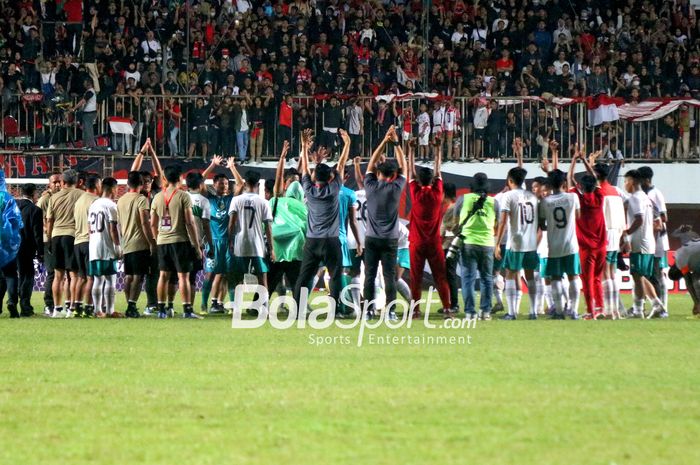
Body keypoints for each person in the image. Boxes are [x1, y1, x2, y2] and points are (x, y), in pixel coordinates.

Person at [292, 128, 350, 317]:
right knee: (335, 275)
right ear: (330, 178)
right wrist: (347, 144)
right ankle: (336, 310)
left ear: (315, 178)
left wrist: (303, 146)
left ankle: (298, 309)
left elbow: (305, 170)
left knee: (304, 275)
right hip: (331, 240)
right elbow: (340, 166)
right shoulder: (334, 190)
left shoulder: (309, 189)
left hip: (312, 240)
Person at [362, 125, 407, 320]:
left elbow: (371, 163)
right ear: (393, 175)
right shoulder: (397, 187)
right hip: (390, 239)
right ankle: (390, 312)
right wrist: (396, 143)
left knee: (370, 276)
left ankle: (368, 311)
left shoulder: (370, 186)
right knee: (389, 276)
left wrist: (384, 141)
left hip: (371, 238)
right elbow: (404, 166)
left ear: (379, 173)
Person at [407, 139, 452, 318]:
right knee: (440, 276)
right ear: (432, 180)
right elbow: (438, 170)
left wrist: (410, 150)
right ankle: (447, 309)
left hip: (417, 242)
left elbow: (410, 171)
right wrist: (438, 148)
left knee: (415, 278)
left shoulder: (415, 193)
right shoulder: (437, 193)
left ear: (418, 180)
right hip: (434, 243)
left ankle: (416, 311)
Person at [150, 165, 203, 319]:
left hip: (162, 242)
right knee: (183, 277)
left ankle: (161, 310)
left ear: (165, 178)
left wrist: (158, 238)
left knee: (163, 276)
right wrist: (196, 245)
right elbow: (189, 222)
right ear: (180, 178)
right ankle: (187, 310)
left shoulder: (157, 197)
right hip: (180, 241)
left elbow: (152, 223)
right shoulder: (183, 196)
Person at [494, 165, 540, 320]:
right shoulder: (532, 196)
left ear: (510, 180)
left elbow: (503, 222)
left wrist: (497, 244)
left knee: (510, 274)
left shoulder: (508, 196)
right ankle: (533, 312)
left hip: (516, 242)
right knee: (530, 276)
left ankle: (512, 312)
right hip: (531, 242)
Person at [621, 169, 666, 319]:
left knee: (637, 275)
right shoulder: (646, 198)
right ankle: (653, 305)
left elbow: (639, 219)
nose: (625, 184)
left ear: (632, 182)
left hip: (639, 242)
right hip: (649, 242)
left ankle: (641, 309)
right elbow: (656, 220)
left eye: (626, 181)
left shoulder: (635, 198)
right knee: (640, 276)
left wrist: (626, 233)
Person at [568, 151, 607, 319]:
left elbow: (570, 178)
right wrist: (584, 160)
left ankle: (591, 311)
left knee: (587, 280)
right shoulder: (600, 196)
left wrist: (574, 161)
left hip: (586, 248)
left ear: (581, 187)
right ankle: (600, 308)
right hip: (601, 246)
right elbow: (594, 178)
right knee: (597, 278)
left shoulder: (578, 199)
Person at [539, 169, 582, 319]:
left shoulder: (545, 202)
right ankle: (574, 311)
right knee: (573, 277)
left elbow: (542, 224)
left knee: (556, 278)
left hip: (554, 246)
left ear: (550, 184)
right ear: (564, 183)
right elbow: (578, 216)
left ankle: (558, 312)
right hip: (571, 245)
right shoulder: (572, 197)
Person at [228, 170, 274, 308]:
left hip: (241, 244)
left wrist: (230, 241)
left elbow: (231, 224)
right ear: (258, 184)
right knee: (262, 278)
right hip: (258, 245)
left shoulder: (236, 200)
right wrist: (271, 249)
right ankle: (264, 308)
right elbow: (268, 227)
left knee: (238, 278)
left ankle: (237, 308)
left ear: (245, 183)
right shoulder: (264, 202)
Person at [455, 173, 497, 320]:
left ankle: (470, 312)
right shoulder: (493, 202)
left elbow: (456, 220)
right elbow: (497, 223)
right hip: (487, 243)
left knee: (468, 279)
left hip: (468, 243)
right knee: (487, 279)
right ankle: (485, 312)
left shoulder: (463, 199)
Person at [46, 169, 85, 318]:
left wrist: (49, 239)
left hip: (56, 236)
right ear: (78, 182)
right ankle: (71, 307)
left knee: (58, 275)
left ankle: (57, 309)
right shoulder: (81, 195)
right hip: (72, 236)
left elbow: (49, 220)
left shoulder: (53, 198)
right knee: (73, 275)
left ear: (62, 182)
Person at [117, 170, 156, 318]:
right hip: (140, 242)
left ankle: (130, 304)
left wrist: (122, 240)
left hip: (126, 242)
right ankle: (132, 305)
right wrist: (151, 242)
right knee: (138, 277)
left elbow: (119, 224)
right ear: (141, 183)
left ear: (127, 183)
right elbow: (145, 223)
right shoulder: (141, 200)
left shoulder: (121, 200)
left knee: (129, 276)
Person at [593, 161, 626, 319]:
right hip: (616, 233)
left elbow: (597, 216)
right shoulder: (614, 191)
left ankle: (609, 310)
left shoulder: (600, 192)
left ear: (596, 175)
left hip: (604, 233)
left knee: (604, 273)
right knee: (612, 273)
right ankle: (615, 310)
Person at [88, 177, 122, 317]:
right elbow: (113, 228)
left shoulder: (93, 204)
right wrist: (118, 246)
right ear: (113, 189)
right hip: (106, 247)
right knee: (110, 279)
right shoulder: (111, 206)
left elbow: (89, 227)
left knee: (98, 279)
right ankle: (109, 310)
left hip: (94, 245)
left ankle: (97, 310)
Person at [639, 166, 670, 311]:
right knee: (647, 274)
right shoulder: (643, 194)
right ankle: (651, 305)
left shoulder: (656, 194)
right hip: (647, 239)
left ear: (646, 180)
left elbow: (664, 217)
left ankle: (662, 307)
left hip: (658, 240)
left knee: (657, 274)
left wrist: (650, 222)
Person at [72, 173, 101, 317]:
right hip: (90, 242)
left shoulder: (79, 200)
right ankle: (89, 307)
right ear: (96, 185)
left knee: (81, 277)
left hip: (78, 242)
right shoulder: (96, 201)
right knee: (91, 277)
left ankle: (76, 306)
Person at [186, 172, 212, 313]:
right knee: (191, 278)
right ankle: (188, 308)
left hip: (179, 242)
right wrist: (210, 245)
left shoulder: (180, 197)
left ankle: (168, 306)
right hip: (195, 244)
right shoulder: (203, 201)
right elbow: (206, 225)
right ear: (201, 185)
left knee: (173, 277)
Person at [15, 184, 43, 317]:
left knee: (11, 277)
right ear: (34, 194)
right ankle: (25, 307)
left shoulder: (12, 206)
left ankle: (11, 303)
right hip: (25, 248)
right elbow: (37, 234)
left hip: (9, 247)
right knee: (27, 276)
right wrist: (41, 251)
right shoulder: (35, 210)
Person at [37, 173, 61, 314]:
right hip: (48, 240)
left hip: (59, 239)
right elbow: (39, 219)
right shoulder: (45, 199)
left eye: (59, 181)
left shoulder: (60, 197)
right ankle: (48, 304)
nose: (57, 184)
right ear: (49, 185)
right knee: (52, 272)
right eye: (54, 182)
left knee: (61, 273)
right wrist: (48, 232)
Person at [0, 171, 22, 318]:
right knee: (11, 274)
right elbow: (17, 221)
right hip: (7, 244)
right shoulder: (7, 198)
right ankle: (12, 301)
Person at [71, 78, 98, 149]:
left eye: (85, 83)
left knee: (88, 130)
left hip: (89, 114)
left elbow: (83, 101)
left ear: (88, 83)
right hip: (87, 113)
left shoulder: (90, 92)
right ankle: (86, 145)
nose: (83, 84)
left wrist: (74, 108)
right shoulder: (88, 92)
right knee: (86, 130)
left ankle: (91, 146)